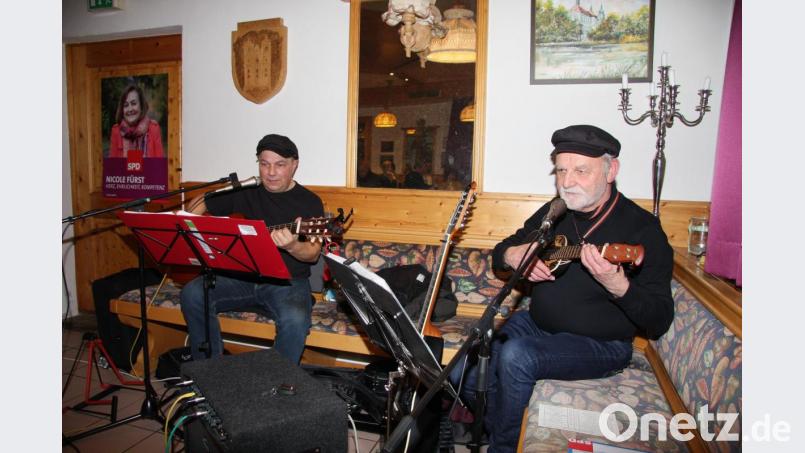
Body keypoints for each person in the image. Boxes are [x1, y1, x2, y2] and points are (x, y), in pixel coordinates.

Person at [455, 125, 674, 452]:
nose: (567, 182)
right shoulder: (556, 211)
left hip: (603, 344)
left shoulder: (642, 229)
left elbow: (659, 319)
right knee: (464, 366)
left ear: (611, 170)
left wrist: (619, 285)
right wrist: (514, 255)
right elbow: (502, 250)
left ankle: (502, 447)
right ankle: (500, 429)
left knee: (516, 356)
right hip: (536, 325)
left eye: (581, 171)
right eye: (561, 171)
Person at [180, 134, 324, 364]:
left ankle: (277, 381)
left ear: (294, 165)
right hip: (243, 277)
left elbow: (313, 253)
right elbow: (202, 201)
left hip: (287, 282)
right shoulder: (247, 190)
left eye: (280, 165)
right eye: (264, 164)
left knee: (295, 320)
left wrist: (292, 245)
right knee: (193, 293)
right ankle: (209, 371)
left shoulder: (309, 201)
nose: (271, 172)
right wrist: (187, 224)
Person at [109, 85, 165, 158]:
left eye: (133, 103)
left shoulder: (153, 129)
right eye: (126, 105)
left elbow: (159, 163)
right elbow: (113, 164)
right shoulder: (116, 131)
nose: (130, 109)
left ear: (141, 106)